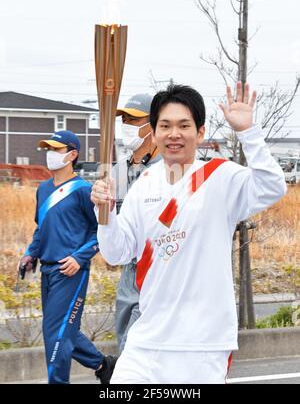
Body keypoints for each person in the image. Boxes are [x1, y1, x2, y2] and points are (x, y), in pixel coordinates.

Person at [91, 83, 287, 384]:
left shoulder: (221, 177)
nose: (174, 134)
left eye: (184, 125)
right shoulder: (144, 184)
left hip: (202, 345)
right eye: (165, 125)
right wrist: (105, 215)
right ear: (154, 132)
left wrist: (248, 133)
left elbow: (273, 186)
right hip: (147, 341)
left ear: (200, 131)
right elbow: (117, 252)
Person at [18, 130, 115, 384]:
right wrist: (30, 254)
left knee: (57, 334)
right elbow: (42, 229)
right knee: (60, 332)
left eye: (56, 149)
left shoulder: (84, 190)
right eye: (48, 149)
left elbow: (101, 231)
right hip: (47, 271)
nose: (50, 154)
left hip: (70, 271)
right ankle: (104, 365)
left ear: (72, 154)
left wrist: (80, 258)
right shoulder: (43, 189)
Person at [114, 93, 160, 353]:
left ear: (152, 124)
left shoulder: (168, 169)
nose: (127, 124)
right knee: (124, 342)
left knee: (137, 349)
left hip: (157, 268)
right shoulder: (117, 171)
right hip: (128, 272)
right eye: (124, 119)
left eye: (134, 119)